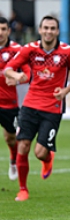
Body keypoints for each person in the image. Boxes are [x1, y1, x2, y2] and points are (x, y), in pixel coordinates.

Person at [3, 15, 70, 201]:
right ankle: (23, 189)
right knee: (23, 146)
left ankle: (47, 159)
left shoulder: (68, 52)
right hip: (30, 105)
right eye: (45, 28)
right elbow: (9, 68)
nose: (49, 31)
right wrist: (17, 76)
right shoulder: (29, 49)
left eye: (52, 28)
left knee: (40, 152)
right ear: (40, 30)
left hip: (53, 107)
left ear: (57, 31)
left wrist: (64, 91)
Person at [0, 17, 30, 181]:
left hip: (8, 103)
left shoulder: (17, 50)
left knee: (10, 138)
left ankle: (13, 160)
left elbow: (28, 74)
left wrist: (18, 78)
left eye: (3, 29)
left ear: (9, 31)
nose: (0, 33)